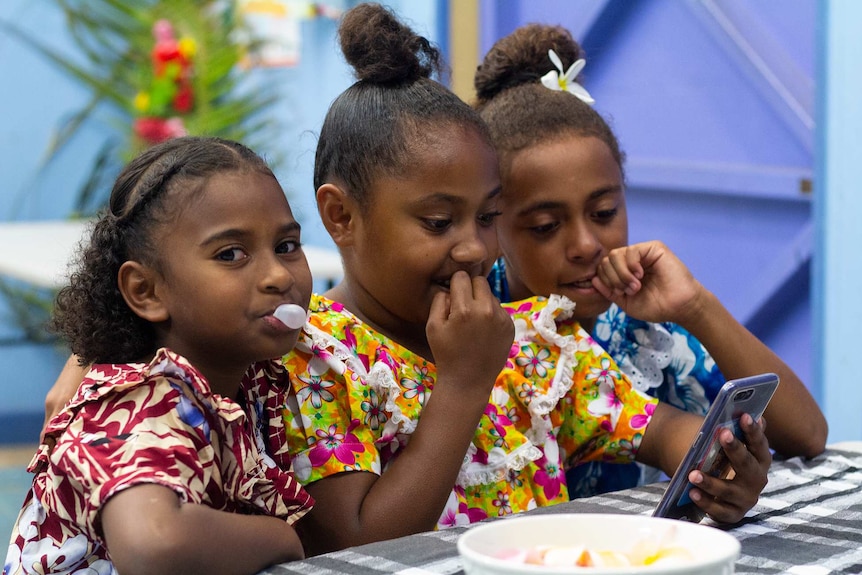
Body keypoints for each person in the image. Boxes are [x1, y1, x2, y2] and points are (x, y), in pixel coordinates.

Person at [278, 3, 770, 557]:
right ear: (341, 216)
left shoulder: (534, 342)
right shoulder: (311, 358)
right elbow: (357, 544)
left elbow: (665, 433)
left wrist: (723, 469)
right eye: (439, 222)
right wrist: (464, 382)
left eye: (487, 218)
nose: (473, 248)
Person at [473, 23, 828, 498]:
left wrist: (695, 307)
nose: (585, 244)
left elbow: (807, 436)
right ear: (491, 224)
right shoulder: (472, 331)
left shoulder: (639, 326)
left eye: (603, 213)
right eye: (544, 226)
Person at [5, 136, 314, 575]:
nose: (278, 276)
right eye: (231, 254)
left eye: (286, 246)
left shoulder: (246, 363)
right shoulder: (141, 402)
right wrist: (281, 538)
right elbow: (154, 544)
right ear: (146, 291)